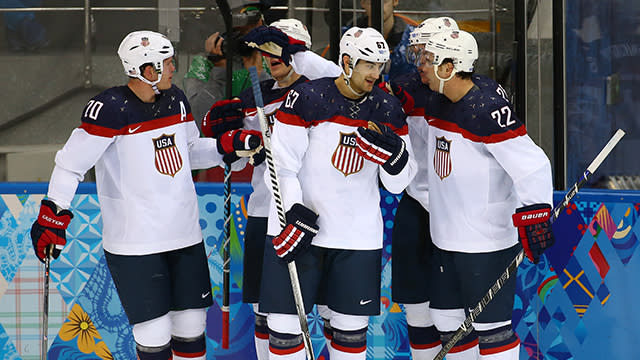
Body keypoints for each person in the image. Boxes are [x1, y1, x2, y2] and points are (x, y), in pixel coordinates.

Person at [29, 30, 262, 360]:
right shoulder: (109, 108)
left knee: (191, 329)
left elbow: (190, 150)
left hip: (184, 236)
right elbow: (70, 165)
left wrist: (229, 146)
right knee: (153, 335)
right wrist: (54, 212)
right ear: (146, 69)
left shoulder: (176, 99)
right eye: (167, 63)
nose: (172, 69)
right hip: (136, 244)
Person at [257, 27, 416, 360]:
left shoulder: (387, 108)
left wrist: (395, 158)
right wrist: (293, 212)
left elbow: (399, 183)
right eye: (368, 65)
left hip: (356, 237)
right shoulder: (308, 97)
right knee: (285, 332)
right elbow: (282, 166)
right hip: (299, 232)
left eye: (380, 66)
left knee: (349, 335)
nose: (376, 73)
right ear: (346, 62)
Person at [407, 29, 555, 359]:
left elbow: (533, 165)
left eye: (430, 61)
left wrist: (534, 214)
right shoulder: (435, 101)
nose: (423, 67)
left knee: (493, 332)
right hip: (445, 239)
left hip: (486, 242)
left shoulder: (487, 110)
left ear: (449, 68)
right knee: (447, 322)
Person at [202, 18, 341, 360]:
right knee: (269, 314)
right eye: (266, 50)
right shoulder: (254, 95)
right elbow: (236, 163)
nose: (272, 56)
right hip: (267, 212)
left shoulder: (327, 89)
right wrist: (227, 140)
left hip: (323, 215)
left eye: (281, 48)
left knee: (331, 313)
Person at [381, 16, 458, 360]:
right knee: (416, 307)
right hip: (415, 203)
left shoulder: (475, 93)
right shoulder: (402, 89)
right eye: (419, 55)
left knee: (456, 311)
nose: (421, 62)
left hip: (458, 209)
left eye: (428, 54)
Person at [183, 0, 272, 125]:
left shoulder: (270, 58)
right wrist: (220, 70)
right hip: (218, 141)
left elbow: (275, 112)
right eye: (241, 31)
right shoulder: (204, 63)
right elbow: (198, 116)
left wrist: (257, 74)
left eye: (256, 24)